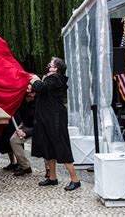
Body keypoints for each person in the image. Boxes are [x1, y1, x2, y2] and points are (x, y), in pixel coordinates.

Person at [30, 57, 81, 191]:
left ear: (56, 69)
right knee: (49, 147)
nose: (48, 65)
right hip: (47, 118)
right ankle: (52, 178)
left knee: (61, 146)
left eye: (51, 64)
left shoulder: (56, 79)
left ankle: (75, 180)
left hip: (55, 118)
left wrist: (34, 79)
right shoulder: (50, 79)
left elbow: (41, 88)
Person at [11, 87, 36, 176]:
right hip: (26, 125)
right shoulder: (21, 99)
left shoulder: (41, 102)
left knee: (45, 145)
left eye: (32, 90)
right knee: (14, 140)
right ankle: (25, 167)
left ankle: (49, 170)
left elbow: (41, 123)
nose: (30, 92)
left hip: (40, 127)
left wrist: (26, 133)